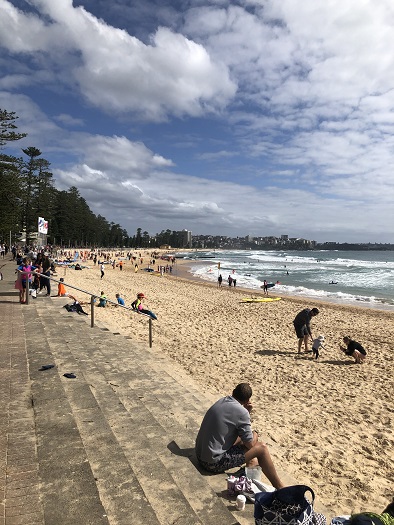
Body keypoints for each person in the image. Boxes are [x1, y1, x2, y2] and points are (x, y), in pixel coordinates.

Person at [195, 383, 284, 489]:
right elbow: (251, 444)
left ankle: (250, 465)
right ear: (247, 400)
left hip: (200, 455)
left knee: (244, 438)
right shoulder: (242, 413)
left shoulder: (222, 401)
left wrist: (245, 412)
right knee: (262, 448)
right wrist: (255, 433)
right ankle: (280, 487)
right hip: (211, 463)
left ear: (233, 392)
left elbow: (242, 435)